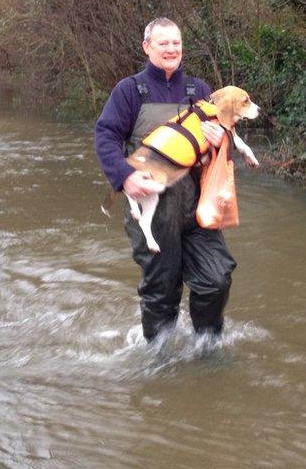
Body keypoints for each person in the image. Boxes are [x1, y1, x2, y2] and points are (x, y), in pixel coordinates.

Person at [94, 17, 236, 344]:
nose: (171, 50)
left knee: (217, 279)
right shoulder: (129, 90)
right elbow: (105, 135)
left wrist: (219, 141)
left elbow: (222, 154)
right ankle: (157, 358)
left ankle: (206, 347)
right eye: (163, 43)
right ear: (147, 47)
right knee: (162, 289)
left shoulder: (200, 91)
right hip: (152, 211)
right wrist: (124, 177)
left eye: (176, 43)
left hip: (197, 207)